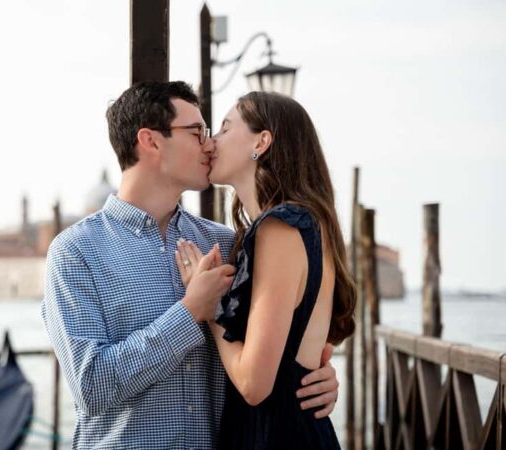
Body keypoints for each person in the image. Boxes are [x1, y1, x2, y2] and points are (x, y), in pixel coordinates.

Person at [41, 81, 340, 449]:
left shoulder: (229, 243)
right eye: (197, 131)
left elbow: (275, 347)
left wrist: (314, 375)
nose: (209, 143)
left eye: (215, 131)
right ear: (150, 141)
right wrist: (190, 311)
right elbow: (91, 388)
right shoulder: (75, 253)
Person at [176, 91, 355, 449]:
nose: (210, 143)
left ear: (262, 141)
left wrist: (209, 307)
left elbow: (254, 385)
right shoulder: (303, 224)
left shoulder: (280, 229)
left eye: (225, 129)